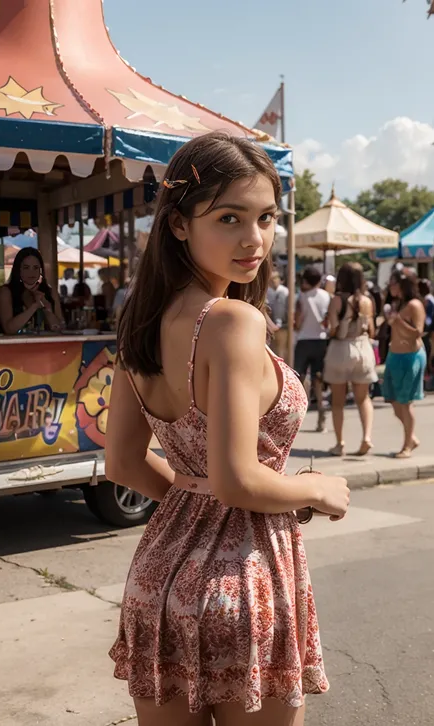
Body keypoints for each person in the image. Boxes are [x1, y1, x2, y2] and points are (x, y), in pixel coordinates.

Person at [105, 131, 349, 726]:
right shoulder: (233, 321)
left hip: (157, 578)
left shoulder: (140, 321)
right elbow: (239, 480)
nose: (253, 239)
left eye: (265, 218)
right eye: (229, 218)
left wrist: (194, 501)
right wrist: (317, 488)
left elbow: (124, 466)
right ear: (180, 224)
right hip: (242, 582)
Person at [324, 263, 378, 456]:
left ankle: (340, 444)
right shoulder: (367, 301)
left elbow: (332, 329)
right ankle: (367, 438)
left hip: (341, 348)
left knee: (338, 401)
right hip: (363, 347)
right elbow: (372, 330)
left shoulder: (337, 300)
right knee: (363, 398)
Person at [383, 267, 426, 458]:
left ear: (402, 285)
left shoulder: (415, 305)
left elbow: (418, 332)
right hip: (395, 356)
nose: (390, 286)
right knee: (392, 399)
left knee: (406, 402)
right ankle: (412, 437)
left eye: (392, 283)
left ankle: (407, 445)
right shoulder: (398, 303)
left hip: (411, 356)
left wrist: (398, 321)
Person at [294, 266, 331, 432]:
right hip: (321, 340)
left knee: (298, 378)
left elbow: (298, 322)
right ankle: (322, 410)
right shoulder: (326, 296)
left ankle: (296, 416)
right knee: (318, 379)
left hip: (304, 339)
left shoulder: (302, 296)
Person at [0, 247, 63, 335]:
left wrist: (47, 310)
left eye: (35, 268)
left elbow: (59, 328)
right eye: (26, 267)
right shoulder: (6, 291)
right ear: (18, 269)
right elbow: (9, 329)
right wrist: (34, 306)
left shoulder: (49, 292)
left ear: (41, 270)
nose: (31, 272)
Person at [266, 270, 289, 360]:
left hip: (284, 327)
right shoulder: (266, 292)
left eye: (275, 278)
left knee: (282, 351)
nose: (273, 281)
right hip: (270, 328)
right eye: (271, 279)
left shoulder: (285, 291)